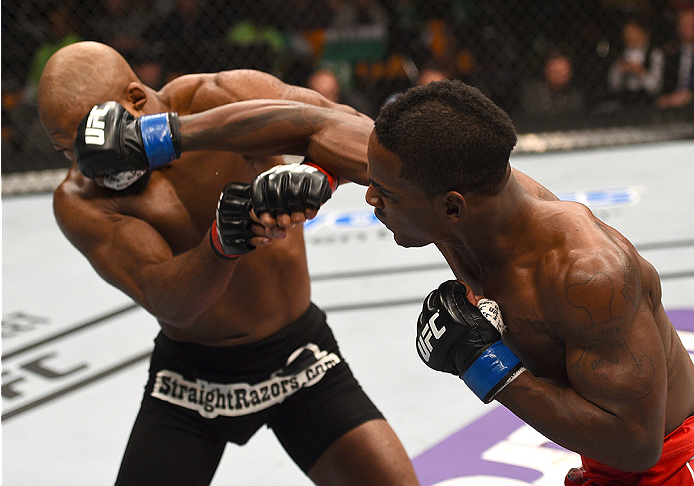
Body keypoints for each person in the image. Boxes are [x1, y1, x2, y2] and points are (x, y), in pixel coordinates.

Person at [36, 41, 419, 486]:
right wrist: (224, 238)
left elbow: (359, 132)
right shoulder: (80, 198)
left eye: (92, 136)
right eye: (70, 151)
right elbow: (169, 299)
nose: (89, 162)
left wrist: (318, 172)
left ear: (136, 100)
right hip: (192, 380)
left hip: (300, 359)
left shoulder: (219, 96)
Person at [361, 79, 694, 485]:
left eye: (385, 194)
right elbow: (328, 128)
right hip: (607, 463)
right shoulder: (457, 193)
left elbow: (638, 446)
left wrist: (483, 363)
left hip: (670, 468)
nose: (370, 200)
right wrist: (311, 177)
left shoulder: (586, 276)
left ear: (452, 206)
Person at [607, 17, 665, 106]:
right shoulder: (621, 54)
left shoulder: (654, 54)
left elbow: (655, 87)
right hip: (624, 100)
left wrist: (640, 72)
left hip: (647, 102)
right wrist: (619, 70)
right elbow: (613, 86)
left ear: (644, 33)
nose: (630, 36)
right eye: (627, 33)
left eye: (633, 32)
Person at [657, 7, 694, 108]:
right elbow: (660, 87)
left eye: (691, 24)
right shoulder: (670, 54)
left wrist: (689, 98)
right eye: (683, 25)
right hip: (672, 109)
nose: (687, 28)